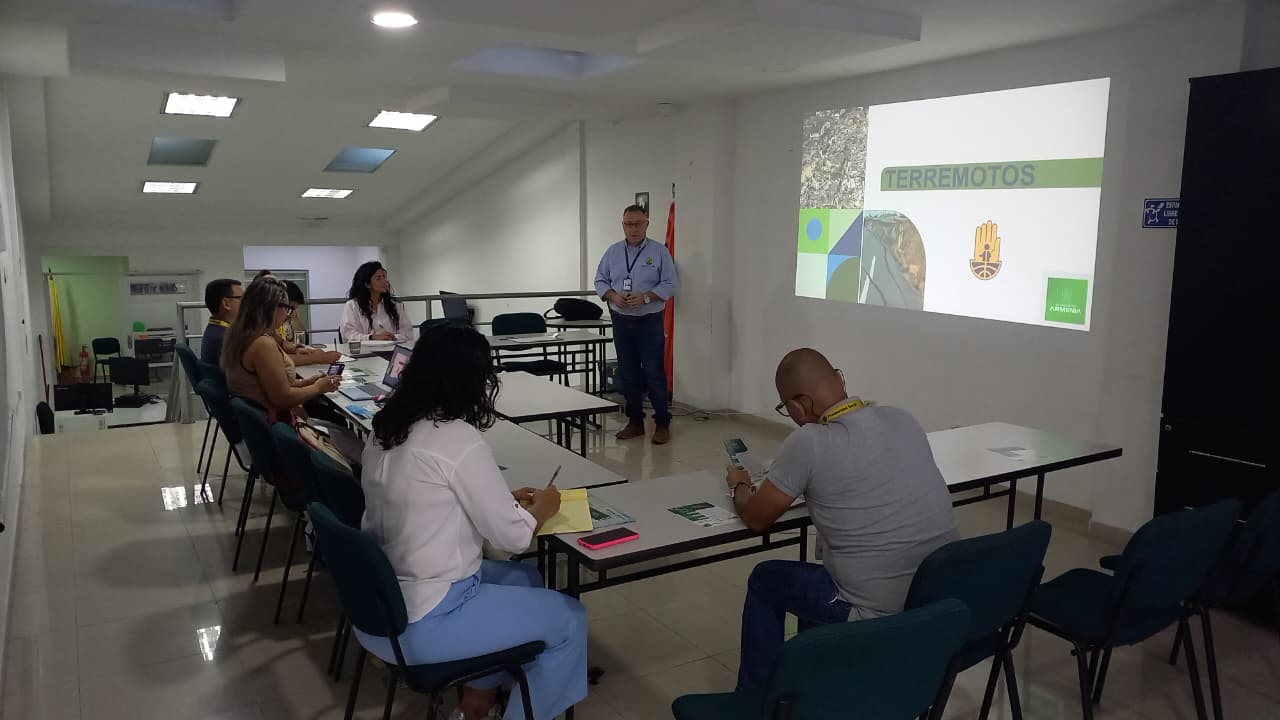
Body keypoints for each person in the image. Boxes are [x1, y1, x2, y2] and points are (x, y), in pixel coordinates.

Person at [357, 320, 587, 720]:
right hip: (425, 618)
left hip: (379, 603)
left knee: (525, 579)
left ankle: (477, 704)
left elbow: (425, 499)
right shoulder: (456, 438)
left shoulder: (385, 428)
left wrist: (497, 499)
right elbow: (512, 538)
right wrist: (544, 507)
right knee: (570, 619)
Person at [726, 348, 957, 690]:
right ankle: (813, 678)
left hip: (876, 615)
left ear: (797, 407)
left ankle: (756, 700)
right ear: (841, 380)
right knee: (815, 577)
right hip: (935, 605)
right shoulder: (901, 418)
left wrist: (740, 485)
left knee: (766, 580)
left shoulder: (808, 442)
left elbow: (756, 518)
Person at [593, 204, 678, 445]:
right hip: (621, 320)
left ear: (647, 224)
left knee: (654, 372)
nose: (633, 229)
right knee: (628, 372)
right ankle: (635, 421)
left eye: (638, 224)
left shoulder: (659, 252)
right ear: (623, 226)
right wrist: (613, 296)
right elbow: (600, 280)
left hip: (649, 321)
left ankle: (662, 423)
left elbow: (670, 284)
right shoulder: (613, 252)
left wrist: (646, 297)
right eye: (628, 224)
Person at [221, 276, 343, 418]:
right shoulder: (263, 344)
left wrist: (305, 382)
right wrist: (318, 387)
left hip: (256, 419)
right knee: (337, 420)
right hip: (273, 421)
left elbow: (270, 385)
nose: (287, 315)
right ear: (273, 307)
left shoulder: (241, 334)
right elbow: (282, 398)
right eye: (288, 309)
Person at [342, 261, 413, 342]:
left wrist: (392, 337)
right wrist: (372, 337)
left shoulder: (396, 306)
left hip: (392, 348)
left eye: (384, 277)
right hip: (364, 349)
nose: (384, 281)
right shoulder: (352, 306)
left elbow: (408, 333)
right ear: (367, 284)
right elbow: (349, 335)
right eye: (378, 278)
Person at [280, 280, 340, 367]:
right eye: (289, 309)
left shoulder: (272, 329)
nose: (289, 315)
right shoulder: (263, 334)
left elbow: (301, 339)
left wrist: (297, 349)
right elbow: (280, 359)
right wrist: (319, 358)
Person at [200, 278, 242, 365]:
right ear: (226, 303)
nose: (247, 303)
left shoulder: (215, 330)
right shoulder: (226, 339)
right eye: (243, 298)